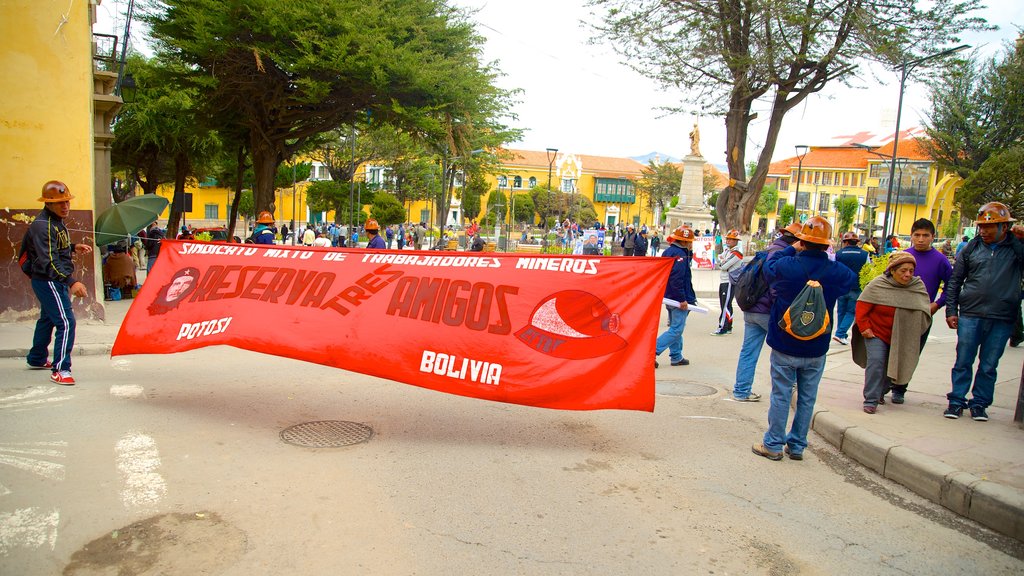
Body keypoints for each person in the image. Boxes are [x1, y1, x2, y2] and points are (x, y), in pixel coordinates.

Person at [753, 216, 857, 461]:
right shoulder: (836, 271)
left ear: (802, 241)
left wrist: (792, 246)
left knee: (781, 394)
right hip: (816, 345)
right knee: (807, 398)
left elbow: (770, 265)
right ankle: (797, 445)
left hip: (784, 340)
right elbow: (851, 280)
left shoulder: (787, 265)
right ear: (826, 245)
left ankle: (774, 444)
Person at [943, 202, 1024, 421]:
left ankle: (980, 403)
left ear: (1004, 228)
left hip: (1002, 315)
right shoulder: (971, 248)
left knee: (989, 364)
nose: (984, 231)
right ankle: (956, 400)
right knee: (963, 359)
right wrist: (952, 310)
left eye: (991, 227)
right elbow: (955, 281)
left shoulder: (1016, 249)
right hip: (971, 313)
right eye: (982, 226)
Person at [24, 181, 94, 385]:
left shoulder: (55, 222)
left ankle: (36, 358)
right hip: (49, 279)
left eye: (67, 202)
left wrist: (73, 247)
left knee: (47, 319)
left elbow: (54, 248)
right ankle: (61, 369)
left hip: (49, 278)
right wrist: (71, 281)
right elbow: (48, 261)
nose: (65, 206)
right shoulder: (43, 225)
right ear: (48, 203)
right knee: (66, 321)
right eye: (60, 203)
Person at [852, 252, 932, 414]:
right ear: (893, 270)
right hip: (876, 332)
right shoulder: (878, 284)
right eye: (903, 270)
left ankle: (881, 392)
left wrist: (914, 329)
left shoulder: (917, 287)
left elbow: (924, 310)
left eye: (911, 270)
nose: (908, 274)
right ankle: (871, 399)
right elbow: (862, 306)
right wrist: (865, 328)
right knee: (877, 362)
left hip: (901, 335)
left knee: (892, 364)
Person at [731, 222, 802, 402]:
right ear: (796, 241)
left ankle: (741, 391)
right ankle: (786, 391)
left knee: (748, 352)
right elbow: (776, 287)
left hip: (751, 308)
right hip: (768, 311)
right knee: (786, 351)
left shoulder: (769, 250)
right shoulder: (783, 256)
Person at [654, 226, 696, 368]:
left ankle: (676, 356)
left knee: (676, 327)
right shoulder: (681, 256)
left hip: (669, 296)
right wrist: (682, 299)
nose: (692, 244)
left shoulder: (668, 251)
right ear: (684, 242)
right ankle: (652, 351)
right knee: (677, 329)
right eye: (690, 241)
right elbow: (677, 280)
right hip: (678, 298)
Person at [832, 232, 869, 345]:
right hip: (856, 287)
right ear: (857, 242)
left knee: (841, 310)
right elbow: (867, 270)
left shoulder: (838, 254)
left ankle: (841, 334)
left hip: (841, 286)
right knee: (851, 312)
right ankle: (840, 334)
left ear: (845, 242)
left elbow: (834, 269)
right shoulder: (864, 254)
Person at [712, 229, 743, 336]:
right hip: (724, 280)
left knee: (725, 305)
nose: (728, 241)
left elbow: (723, 266)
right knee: (726, 304)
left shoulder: (737, 253)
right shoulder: (727, 251)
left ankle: (723, 328)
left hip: (729, 281)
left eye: (731, 239)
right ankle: (729, 326)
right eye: (728, 238)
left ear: (736, 241)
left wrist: (722, 261)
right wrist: (722, 261)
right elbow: (719, 259)